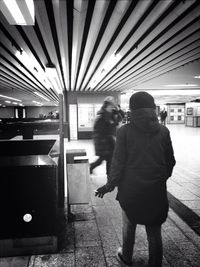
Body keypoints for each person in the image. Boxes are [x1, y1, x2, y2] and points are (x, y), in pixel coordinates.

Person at [95, 91, 176, 267]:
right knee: (154, 230)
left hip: (131, 190)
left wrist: (109, 185)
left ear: (132, 110)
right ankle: (155, 263)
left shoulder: (124, 131)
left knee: (128, 225)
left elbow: (118, 163)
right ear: (153, 108)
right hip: (156, 190)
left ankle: (126, 257)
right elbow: (170, 161)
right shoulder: (163, 131)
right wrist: (160, 178)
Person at [90, 96, 119, 176]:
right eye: (111, 105)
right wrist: (110, 125)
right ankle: (108, 175)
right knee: (106, 158)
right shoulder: (101, 115)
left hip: (109, 140)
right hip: (102, 141)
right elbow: (100, 130)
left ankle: (92, 168)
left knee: (107, 158)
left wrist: (117, 112)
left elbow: (116, 122)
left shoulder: (112, 114)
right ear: (107, 105)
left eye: (113, 105)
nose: (112, 106)